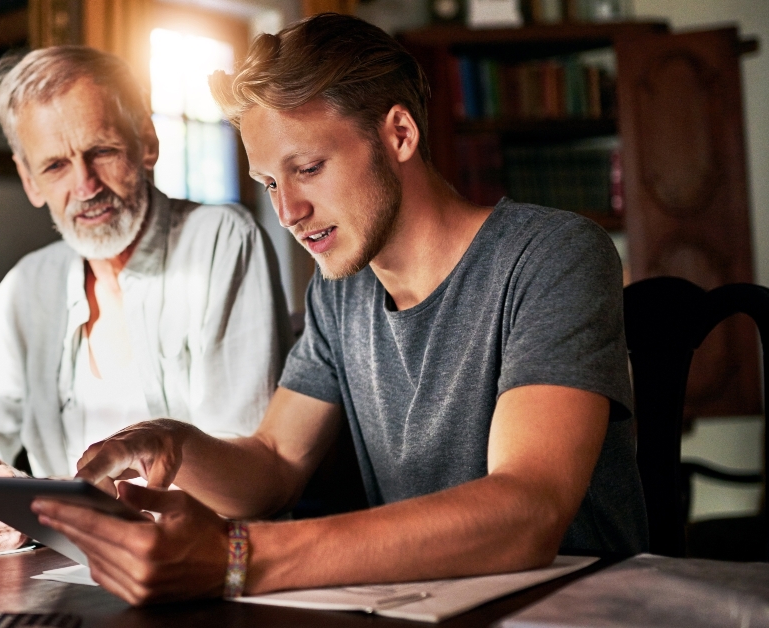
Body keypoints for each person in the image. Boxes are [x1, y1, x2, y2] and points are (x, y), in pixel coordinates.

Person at [34, 14, 648, 605]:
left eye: (307, 168)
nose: (287, 212)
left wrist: (237, 556)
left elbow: (528, 510)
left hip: (574, 607)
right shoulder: (340, 291)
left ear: (399, 134)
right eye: (270, 183)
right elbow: (275, 462)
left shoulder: (553, 255)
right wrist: (170, 441)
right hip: (423, 605)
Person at [0, 46, 293, 553]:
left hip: (208, 568)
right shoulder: (27, 285)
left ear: (147, 142)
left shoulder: (221, 240)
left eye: (102, 151)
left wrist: (48, 508)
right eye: (55, 165)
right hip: (68, 572)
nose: (85, 186)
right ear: (29, 180)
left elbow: (244, 482)